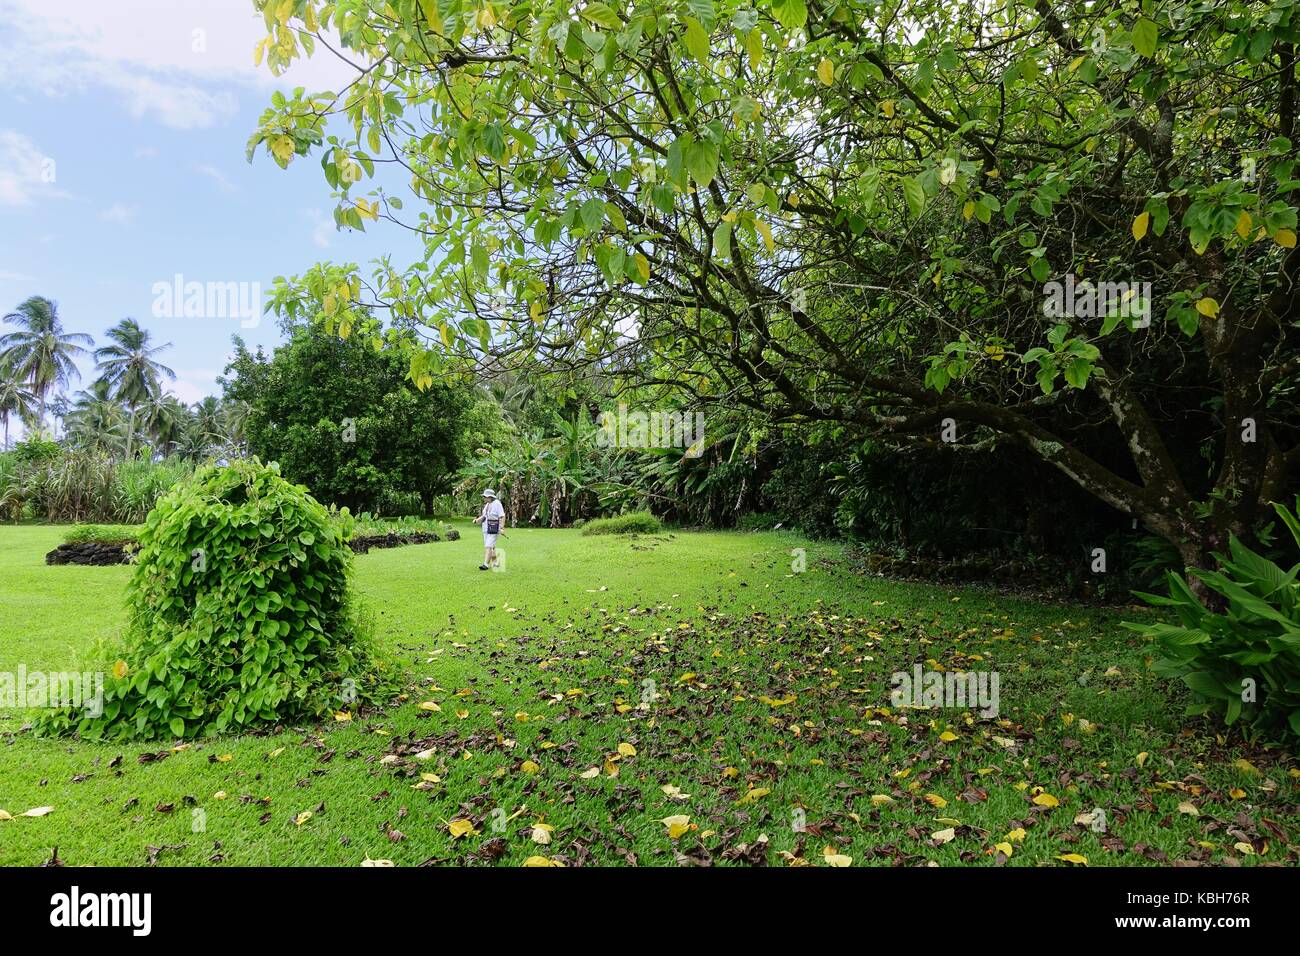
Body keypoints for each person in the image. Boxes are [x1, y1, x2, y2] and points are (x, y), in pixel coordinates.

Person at [473, 488, 505, 570]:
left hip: (494, 528)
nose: (484, 498)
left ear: (490, 497)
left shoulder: (497, 504)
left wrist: (501, 528)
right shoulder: (487, 505)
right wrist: (477, 520)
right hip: (486, 528)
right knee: (491, 546)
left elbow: (502, 516)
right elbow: (484, 516)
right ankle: (495, 563)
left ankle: (485, 564)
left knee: (488, 546)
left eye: (485, 497)